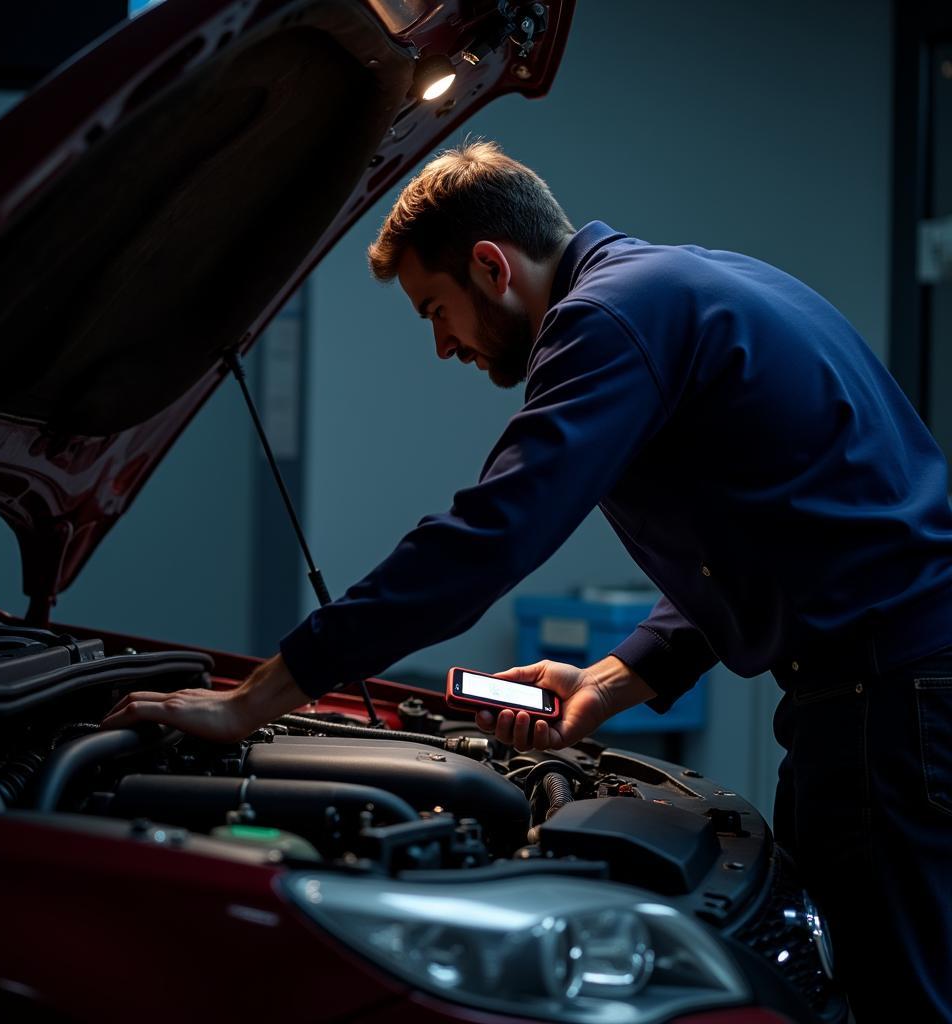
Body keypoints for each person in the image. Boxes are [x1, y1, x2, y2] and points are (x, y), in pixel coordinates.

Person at [103, 141, 952, 1021]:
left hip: (887, 705)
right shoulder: (678, 285)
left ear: (489, 265)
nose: (442, 346)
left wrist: (255, 699)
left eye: (437, 310)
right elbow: (762, 540)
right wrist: (607, 682)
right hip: (880, 698)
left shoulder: (607, 320)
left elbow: (488, 538)